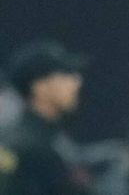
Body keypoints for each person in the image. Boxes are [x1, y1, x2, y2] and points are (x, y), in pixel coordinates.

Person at [0, 40, 90, 194]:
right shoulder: (21, 144)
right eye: (65, 75)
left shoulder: (52, 138)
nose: (76, 82)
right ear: (39, 86)